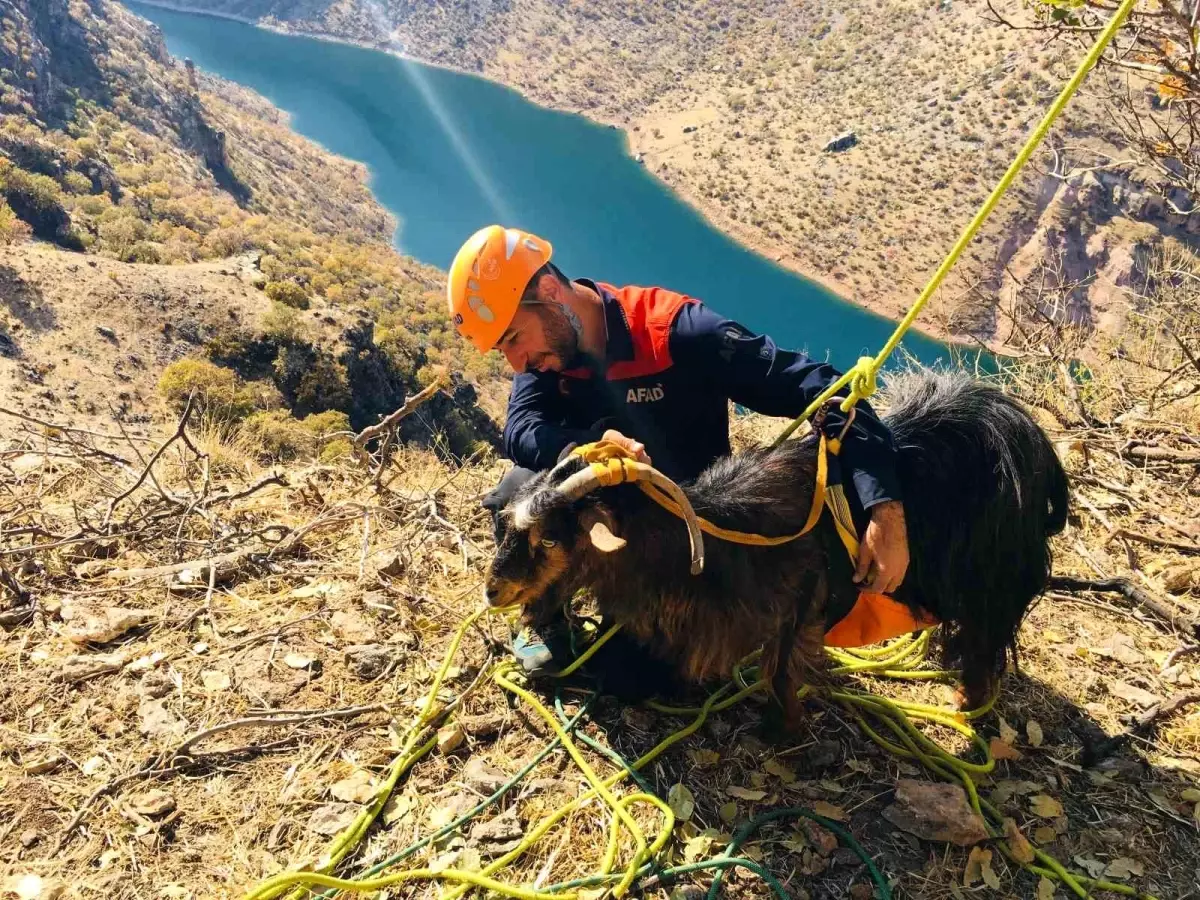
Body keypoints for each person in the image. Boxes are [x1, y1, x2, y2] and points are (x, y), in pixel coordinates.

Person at [446, 224, 910, 689]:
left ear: (549, 292)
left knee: (638, 677)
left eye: (512, 338)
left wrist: (884, 508)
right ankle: (544, 616)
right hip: (604, 524)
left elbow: (828, 392)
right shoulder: (547, 354)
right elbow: (521, 430)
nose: (516, 362)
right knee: (516, 490)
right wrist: (586, 448)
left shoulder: (678, 332)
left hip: (687, 526)